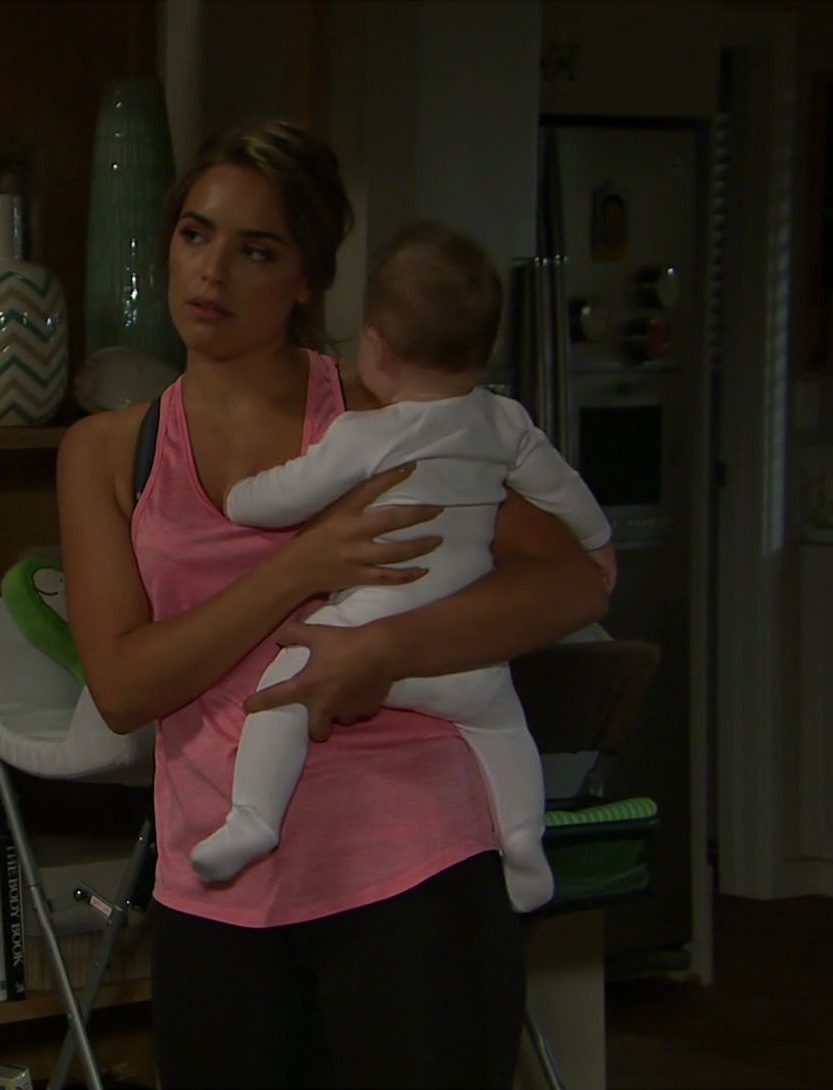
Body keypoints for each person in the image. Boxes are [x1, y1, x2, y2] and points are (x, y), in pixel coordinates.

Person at [56, 121, 609, 1088]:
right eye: (195, 234)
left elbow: (575, 579)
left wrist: (387, 649)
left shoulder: (391, 413)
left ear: (307, 277)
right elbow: (122, 687)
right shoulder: (108, 451)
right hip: (215, 885)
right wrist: (297, 568)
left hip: (413, 864)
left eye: (256, 250)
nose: (212, 273)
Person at [188, 220, 617, 913]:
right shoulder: (505, 422)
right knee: (503, 730)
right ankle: (523, 841)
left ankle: (253, 819)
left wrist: (238, 496)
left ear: (376, 346)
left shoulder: (366, 432)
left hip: (364, 630)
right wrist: (599, 541)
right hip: (457, 650)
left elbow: (290, 493)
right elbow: (564, 490)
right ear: (487, 347)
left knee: (282, 691)